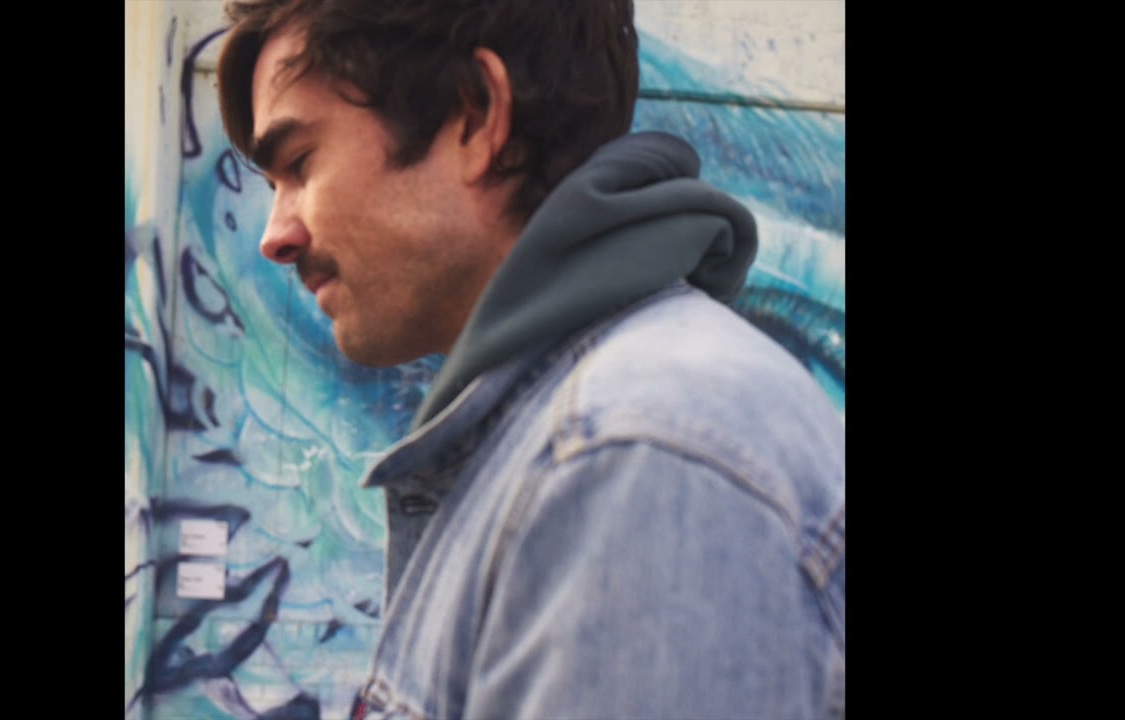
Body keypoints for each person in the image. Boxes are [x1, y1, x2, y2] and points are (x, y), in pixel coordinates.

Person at [215, 1, 845, 718]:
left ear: (475, 115)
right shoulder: (575, 430)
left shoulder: (633, 454)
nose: (276, 236)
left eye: (299, 164)